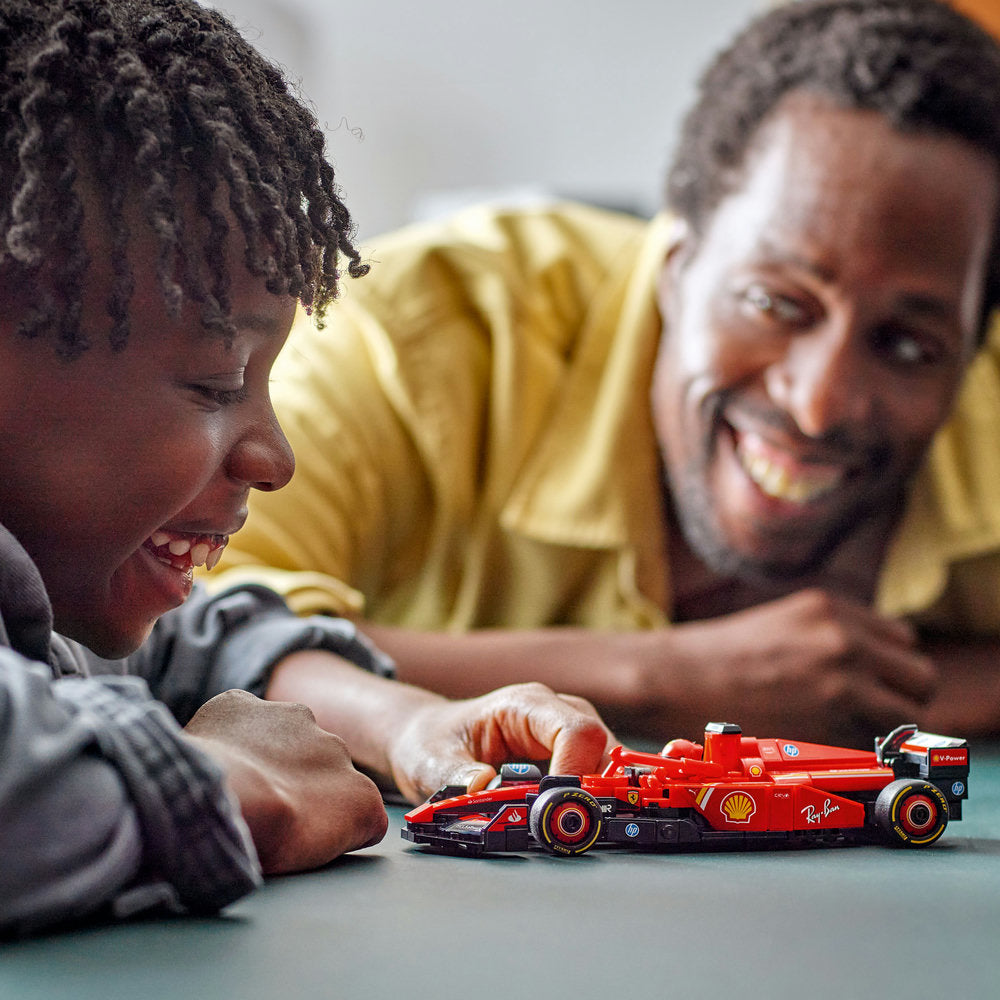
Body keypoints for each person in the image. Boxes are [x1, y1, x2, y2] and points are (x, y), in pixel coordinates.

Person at [212, 0, 1000, 748]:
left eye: (906, 346)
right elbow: (191, 626)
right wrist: (661, 677)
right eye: (774, 302)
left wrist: (920, 686)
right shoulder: (421, 334)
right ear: (676, 261)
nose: (821, 403)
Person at [0, 0, 615, 938]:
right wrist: (242, 784)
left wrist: (402, 723)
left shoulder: (51, 585)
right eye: (215, 382)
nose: (274, 457)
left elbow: (189, 643)